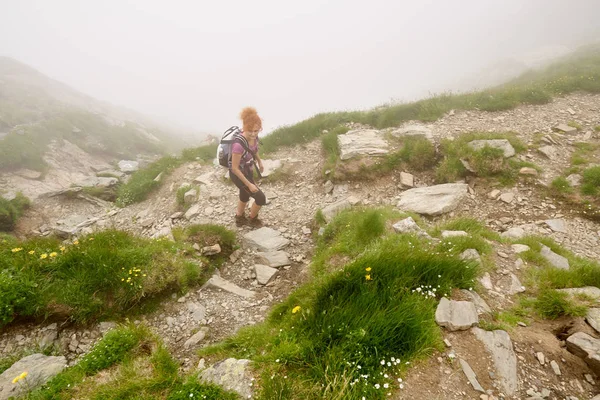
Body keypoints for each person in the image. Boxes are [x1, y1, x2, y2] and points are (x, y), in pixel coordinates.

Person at [229, 107, 266, 227]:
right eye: (250, 130)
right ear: (244, 127)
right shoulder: (238, 145)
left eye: (256, 130)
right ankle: (253, 219)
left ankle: (239, 217)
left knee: (244, 195)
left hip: (247, 170)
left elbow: (254, 150)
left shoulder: (254, 138)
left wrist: (259, 162)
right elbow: (234, 168)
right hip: (238, 174)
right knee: (261, 198)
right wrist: (249, 184)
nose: (254, 134)